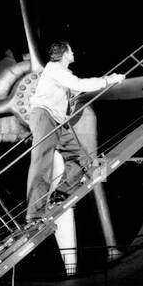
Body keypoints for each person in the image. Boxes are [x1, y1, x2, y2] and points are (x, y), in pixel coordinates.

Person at [25, 42, 125, 224]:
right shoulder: (54, 69)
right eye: (71, 49)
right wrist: (109, 79)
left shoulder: (63, 74)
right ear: (64, 54)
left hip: (57, 120)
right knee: (42, 162)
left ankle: (60, 195)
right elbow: (78, 84)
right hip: (45, 115)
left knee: (78, 157)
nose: (73, 52)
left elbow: (78, 87)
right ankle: (34, 214)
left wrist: (104, 83)